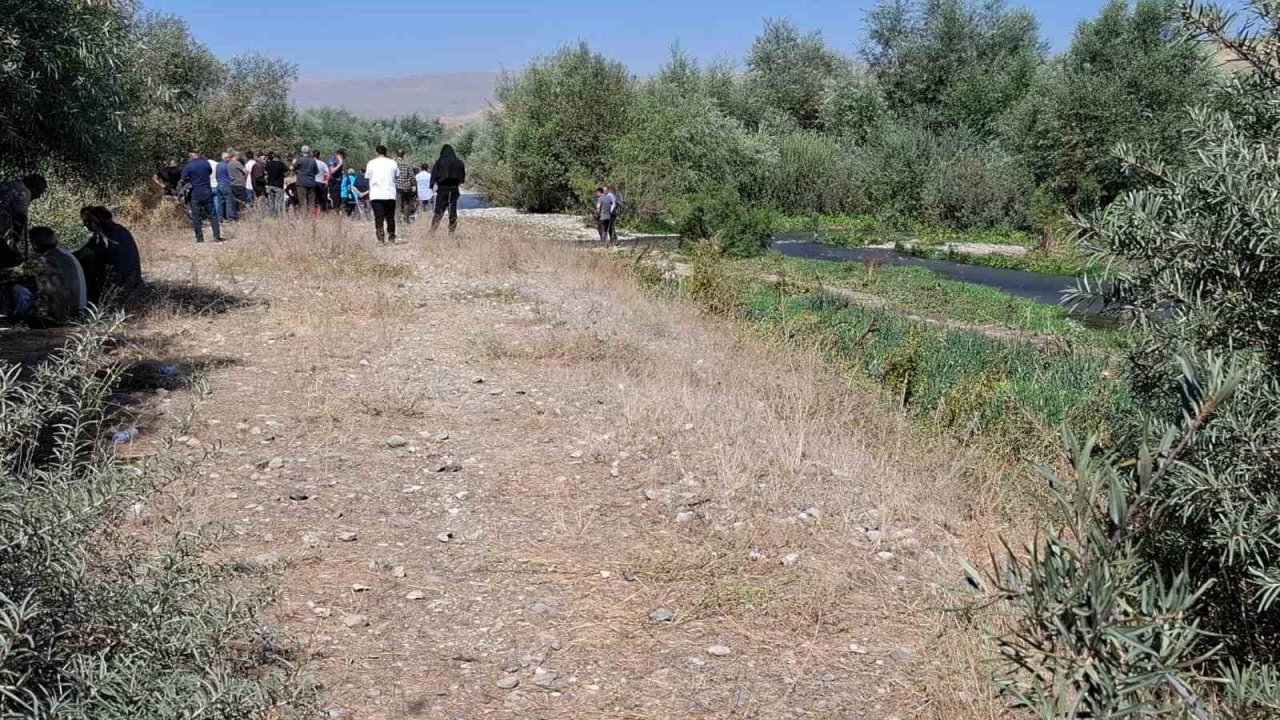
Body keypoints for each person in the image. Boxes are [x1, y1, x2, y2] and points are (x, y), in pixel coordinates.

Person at [4, 227, 87, 327]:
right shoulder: (69, 256)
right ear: (55, 240)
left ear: (34, 244)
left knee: (17, 287)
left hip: (51, 319)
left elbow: (7, 275)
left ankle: (28, 320)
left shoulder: (40, 261)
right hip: (78, 314)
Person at [80, 206, 142, 294]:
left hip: (118, 286)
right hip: (134, 281)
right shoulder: (121, 230)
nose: (85, 224)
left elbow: (81, 255)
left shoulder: (102, 238)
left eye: (86, 221)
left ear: (95, 220)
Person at [0, 173, 48, 267]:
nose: (38, 196)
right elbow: (19, 220)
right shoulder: (24, 192)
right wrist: (14, 247)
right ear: (30, 184)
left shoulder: (8, 184)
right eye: (38, 191)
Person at [180, 149, 222, 243]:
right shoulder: (206, 163)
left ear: (191, 155)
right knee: (212, 214)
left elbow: (183, 180)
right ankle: (216, 235)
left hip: (195, 192)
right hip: (207, 190)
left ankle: (199, 238)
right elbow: (210, 172)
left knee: (196, 216)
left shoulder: (188, 166)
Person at [365, 145, 399, 244]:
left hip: (376, 194)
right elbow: (397, 175)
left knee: (378, 217)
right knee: (390, 217)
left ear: (376, 152)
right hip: (390, 194)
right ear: (386, 152)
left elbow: (368, 177)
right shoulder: (392, 163)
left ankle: (380, 239)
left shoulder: (371, 163)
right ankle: (391, 237)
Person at [429, 144, 466, 234]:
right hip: (454, 189)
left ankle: (432, 231)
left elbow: (434, 175)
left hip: (442, 189)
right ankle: (451, 232)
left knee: (439, 211)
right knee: (452, 211)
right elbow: (462, 178)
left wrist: (431, 185)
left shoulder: (440, 161)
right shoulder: (459, 162)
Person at [293, 146, 319, 216]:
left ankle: (304, 217)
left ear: (302, 151)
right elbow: (317, 171)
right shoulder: (313, 160)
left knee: (303, 201)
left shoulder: (299, 160)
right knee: (311, 201)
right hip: (311, 183)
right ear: (309, 151)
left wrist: (298, 172)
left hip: (301, 183)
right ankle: (311, 216)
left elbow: (293, 168)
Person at [394, 149, 416, 225]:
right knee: (406, 203)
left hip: (397, 186)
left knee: (398, 204)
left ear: (396, 154)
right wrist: (413, 185)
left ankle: (398, 220)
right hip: (406, 187)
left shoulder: (394, 163)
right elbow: (412, 175)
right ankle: (406, 219)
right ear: (404, 155)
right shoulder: (407, 163)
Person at [263, 152, 288, 217]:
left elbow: (265, 171)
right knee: (279, 202)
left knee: (271, 202)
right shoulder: (281, 164)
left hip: (270, 185)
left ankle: (271, 215)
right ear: (279, 157)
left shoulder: (268, 164)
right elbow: (286, 170)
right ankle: (279, 216)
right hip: (279, 185)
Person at [228, 150, 250, 216]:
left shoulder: (229, 164)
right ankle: (244, 215)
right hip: (239, 184)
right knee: (244, 201)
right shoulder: (237, 163)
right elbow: (245, 171)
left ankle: (234, 216)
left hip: (232, 184)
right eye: (238, 156)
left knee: (234, 202)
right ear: (235, 156)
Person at [216, 151, 236, 221]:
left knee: (220, 202)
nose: (229, 159)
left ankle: (220, 218)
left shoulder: (218, 165)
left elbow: (216, 175)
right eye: (228, 158)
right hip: (226, 185)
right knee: (229, 202)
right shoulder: (227, 166)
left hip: (219, 184)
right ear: (225, 158)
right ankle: (230, 218)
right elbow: (231, 176)